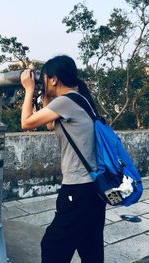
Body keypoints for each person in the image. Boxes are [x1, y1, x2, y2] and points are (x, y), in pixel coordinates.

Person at [20, 55, 106, 263]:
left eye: (44, 78)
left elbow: (26, 122)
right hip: (95, 189)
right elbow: (51, 124)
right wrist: (45, 93)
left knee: (52, 247)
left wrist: (29, 89)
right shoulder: (81, 99)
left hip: (78, 190)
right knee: (90, 249)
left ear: (54, 79)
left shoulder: (66, 102)